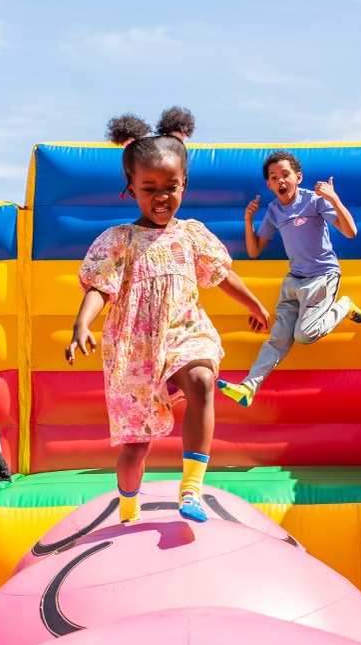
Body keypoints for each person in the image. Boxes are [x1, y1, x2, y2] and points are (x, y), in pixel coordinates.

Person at [67, 126, 270, 524]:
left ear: (184, 185)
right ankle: (128, 508)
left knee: (202, 379)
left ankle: (191, 488)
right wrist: (82, 324)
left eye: (170, 187)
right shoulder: (119, 240)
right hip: (136, 349)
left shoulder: (192, 235)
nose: (161, 196)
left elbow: (221, 275)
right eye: (150, 188)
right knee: (136, 447)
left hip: (183, 330)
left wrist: (256, 304)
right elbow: (100, 288)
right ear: (131, 189)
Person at [217, 151, 361, 409]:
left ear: (298, 177)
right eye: (274, 177)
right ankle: (248, 388)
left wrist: (333, 198)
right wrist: (248, 220)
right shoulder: (274, 210)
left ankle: (344, 306)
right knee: (278, 339)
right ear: (269, 184)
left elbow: (351, 232)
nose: (280, 180)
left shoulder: (314, 201)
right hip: (293, 281)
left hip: (322, 277)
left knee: (305, 335)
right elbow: (254, 251)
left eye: (285, 175)